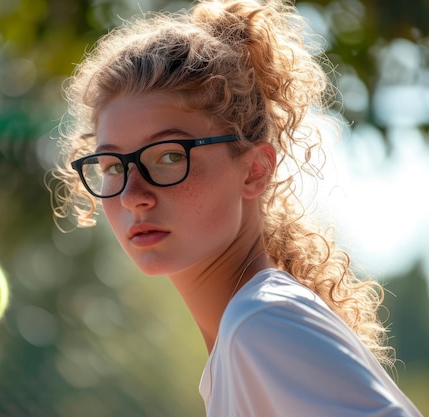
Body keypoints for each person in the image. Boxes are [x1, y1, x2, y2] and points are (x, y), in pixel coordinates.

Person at [49, 0, 423, 415]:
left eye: (170, 156)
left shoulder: (261, 322)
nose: (133, 194)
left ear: (254, 171)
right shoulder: (244, 334)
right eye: (112, 166)